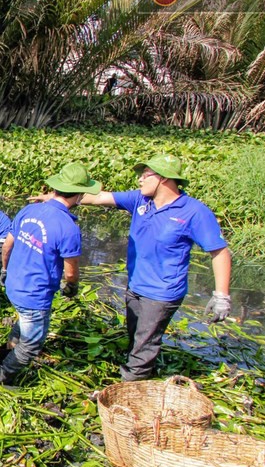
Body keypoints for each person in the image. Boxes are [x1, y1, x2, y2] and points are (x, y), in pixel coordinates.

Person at [70, 154, 231, 381]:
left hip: (162, 293)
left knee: (143, 347)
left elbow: (219, 252)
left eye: (145, 175)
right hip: (135, 286)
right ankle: (142, 373)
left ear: (164, 179)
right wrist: (58, 197)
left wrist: (221, 296)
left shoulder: (194, 212)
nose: (140, 180)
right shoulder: (140, 201)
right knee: (137, 337)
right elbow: (99, 198)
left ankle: (129, 392)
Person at [0, 163, 100, 386]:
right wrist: (72, 288)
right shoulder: (68, 227)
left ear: (57, 188)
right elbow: (71, 272)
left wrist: (4, 269)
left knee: (23, 322)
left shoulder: (29, 209)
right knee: (31, 345)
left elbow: (8, 244)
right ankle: (3, 377)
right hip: (34, 294)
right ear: (79, 195)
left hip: (13, 285)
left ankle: (0, 359)